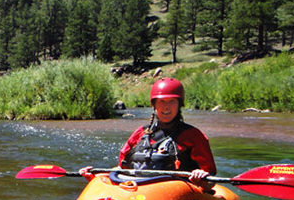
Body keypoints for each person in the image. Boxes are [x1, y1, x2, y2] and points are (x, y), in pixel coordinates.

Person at [80, 77, 216, 185]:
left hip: (176, 192)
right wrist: (96, 176)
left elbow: (209, 182)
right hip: (139, 189)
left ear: (180, 104)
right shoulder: (140, 133)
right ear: (154, 105)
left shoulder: (193, 136)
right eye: (161, 102)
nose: (166, 107)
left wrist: (201, 176)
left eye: (172, 101)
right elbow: (121, 169)